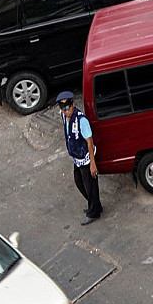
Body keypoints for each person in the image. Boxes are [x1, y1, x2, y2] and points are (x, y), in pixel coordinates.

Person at [57, 91, 102, 225]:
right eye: (64, 109)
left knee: (90, 186)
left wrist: (92, 164)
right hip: (77, 158)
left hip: (86, 158)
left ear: (73, 105)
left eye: (68, 108)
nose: (66, 112)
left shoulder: (81, 120)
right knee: (79, 181)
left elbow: (89, 141)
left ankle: (94, 212)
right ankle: (94, 205)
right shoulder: (64, 116)